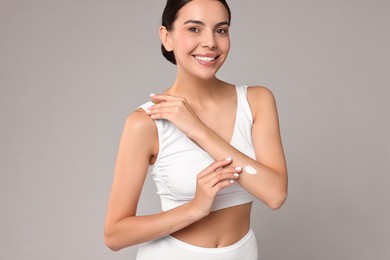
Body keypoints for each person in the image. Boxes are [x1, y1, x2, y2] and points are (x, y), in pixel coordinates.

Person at [104, 0, 288, 259]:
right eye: (194, 29)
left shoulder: (257, 101)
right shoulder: (146, 122)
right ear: (167, 37)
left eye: (221, 30)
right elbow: (114, 235)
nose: (210, 42)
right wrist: (195, 208)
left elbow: (275, 194)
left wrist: (198, 130)